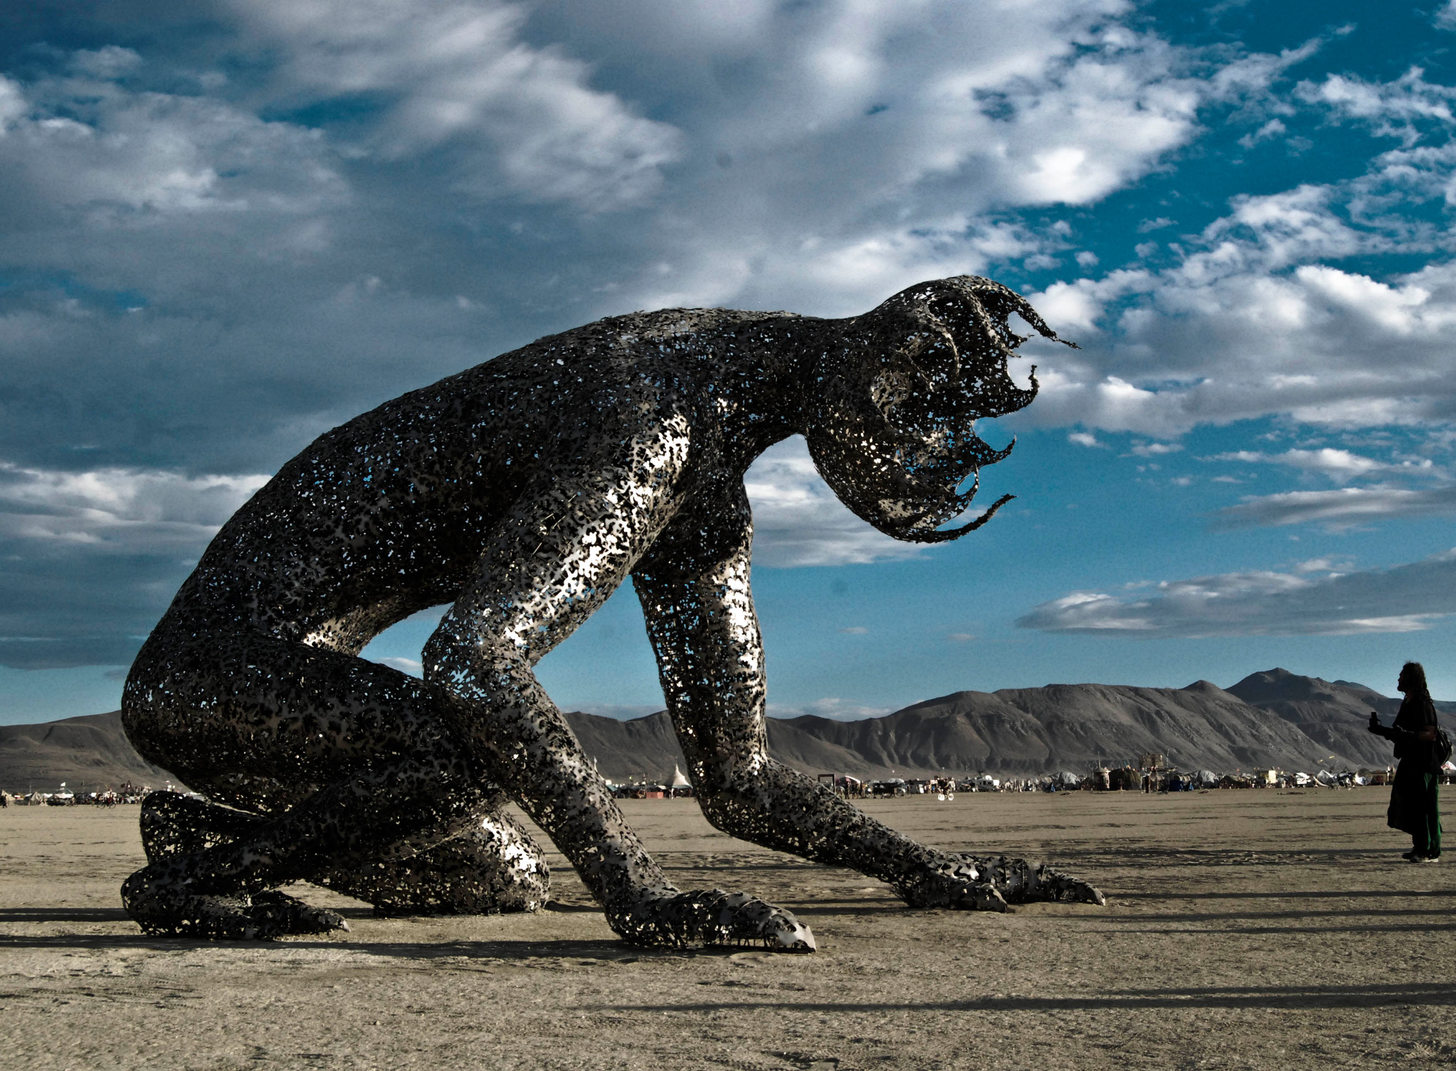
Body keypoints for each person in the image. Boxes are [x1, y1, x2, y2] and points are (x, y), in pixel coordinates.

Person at [118, 276, 1104, 947]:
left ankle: (205, 845)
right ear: (876, 353)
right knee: (472, 747)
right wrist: (639, 896)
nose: (919, 444)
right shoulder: (650, 417)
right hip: (209, 677)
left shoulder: (704, 470)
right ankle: (197, 888)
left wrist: (926, 870)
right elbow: (472, 663)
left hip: (285, 692)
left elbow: (739, 779)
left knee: (498, 880)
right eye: (915, 412)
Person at [1368, 661, 1443, 862]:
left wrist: (1408, 735)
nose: (1398, 679)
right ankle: (1419, 846)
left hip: (1424, 763)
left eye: (1402, 675)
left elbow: (1430, 734)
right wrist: (1381, 730)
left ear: (1411, 679)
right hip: (1410, 761)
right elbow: (1399, 734)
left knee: (1424, 807)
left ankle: (1428, 850)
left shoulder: (1423, 704)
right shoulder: (1408, 703)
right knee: (1409, 805)